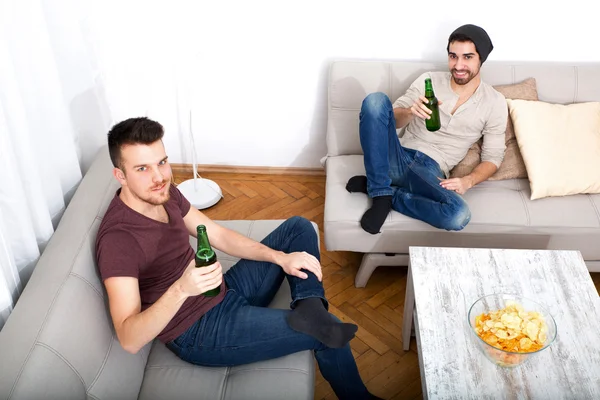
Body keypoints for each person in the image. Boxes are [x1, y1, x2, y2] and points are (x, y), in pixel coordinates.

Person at [95, 117, 383, 400]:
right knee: (327, 332)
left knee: (298, 228)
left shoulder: (163, 193)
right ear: (120, 175)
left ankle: (310, 308)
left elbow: (216, 233)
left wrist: (279, 257)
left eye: (161, 162)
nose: (159, 176)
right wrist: (181, 289)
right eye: (142, 168)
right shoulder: (119, 240)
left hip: (222, 290)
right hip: (199, 331)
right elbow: (129, 338)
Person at [346, 24, 508, 234]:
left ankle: (383, 190)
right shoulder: (428, 81)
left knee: (458, 215)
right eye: (453, 56)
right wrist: (410, 112)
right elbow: (389, 119)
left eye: (467, 57)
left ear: (481, 59)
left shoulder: (494, 102)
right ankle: (380, 195)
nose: (458, 65)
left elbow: (493, 158)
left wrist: (468, 181)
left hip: (430, 171)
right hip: (397, 156)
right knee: (375, 101)